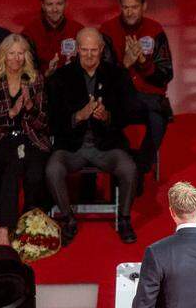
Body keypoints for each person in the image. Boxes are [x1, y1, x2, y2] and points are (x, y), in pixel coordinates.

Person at [45, 27, 139, 245]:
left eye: (94, 50)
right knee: (52, 169)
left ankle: (124, 219)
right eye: (84, 50)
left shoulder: (117, 75)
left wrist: (107, 116)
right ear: (77, 49)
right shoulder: (61, 77)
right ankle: (68, 219)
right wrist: (77, 116)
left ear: (102, 49)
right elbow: (52, 120)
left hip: (106, 146)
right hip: (71, 147)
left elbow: (129, 113)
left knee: (129, 168)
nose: (88, 55)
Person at [100, 0, 174, 179]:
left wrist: (143, 63)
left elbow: (166, 73)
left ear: (144, 6)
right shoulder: (107, 30)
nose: (129, 12)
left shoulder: (155, 30)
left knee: (159, 115)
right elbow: (102, 76)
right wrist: (124, 63)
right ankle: (122, 161)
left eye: (134, 7)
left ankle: (140, 167)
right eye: (125, 7)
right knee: (107, 114)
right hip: (118, 98)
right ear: (119, 6)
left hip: (148, 98)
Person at [0, 35, 50, 246]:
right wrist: (11, 113)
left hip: (31, 137)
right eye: (12, 53)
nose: (16, 58)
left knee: (34, 171)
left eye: (21, 53)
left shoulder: (35, 78)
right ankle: (5, 226)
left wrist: (29, 107)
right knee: (13, 163)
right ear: (3, 55)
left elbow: (43, 123)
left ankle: (27, 226)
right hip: (0, 140)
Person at [21, 0, 83, 78]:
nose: (55, 9)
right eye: (50, 4)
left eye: (59, 4)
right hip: (42, 89)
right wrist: (46, 75)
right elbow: (25, 72)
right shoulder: (30, 33)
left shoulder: (79, 30)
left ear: (66, 4)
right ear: (42, 5)